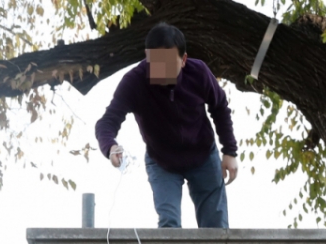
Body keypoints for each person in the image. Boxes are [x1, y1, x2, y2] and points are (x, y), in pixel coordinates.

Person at [95, 23, 238, 228]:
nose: (161, 71)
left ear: (184, 60)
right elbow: (107, 121)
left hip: (203, 156)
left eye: (169, 64)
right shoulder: (134, 82)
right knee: (169, 223)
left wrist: (229, 152)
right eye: (155, 63)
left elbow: (220, 107)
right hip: (162, 161)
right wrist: (110, 147)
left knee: (215, 226)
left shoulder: (198, 72)